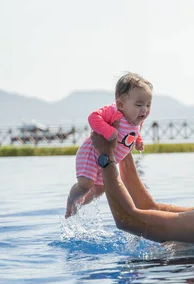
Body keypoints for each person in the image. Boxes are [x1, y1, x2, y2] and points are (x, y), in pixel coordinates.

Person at [65, 72, 153, 218]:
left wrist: (138, 141)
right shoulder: (114, 111)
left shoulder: (137, 121)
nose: (144, 109)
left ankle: (79, 205)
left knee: (100, 188)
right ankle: (71, 201)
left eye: (148, 105)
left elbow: (133, 133)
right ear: (120, 104)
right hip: (91, 153)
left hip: (107, 160)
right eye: (139, 105)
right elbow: (93, 117)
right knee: (86, 184)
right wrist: (107, 130)